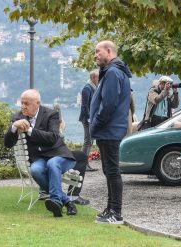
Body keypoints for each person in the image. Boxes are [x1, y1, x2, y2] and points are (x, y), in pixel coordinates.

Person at [4, 89, 77, 217]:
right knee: (36, 170)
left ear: (37, 103)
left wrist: (30, 130)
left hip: (58, 154)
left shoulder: (51, 114)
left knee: (53, 164)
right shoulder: (18, 117)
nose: (23, 106)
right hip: (39, 158)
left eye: (26, 103)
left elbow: (53, 137)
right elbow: (8, 144)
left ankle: (55, 200)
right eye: (22, 103)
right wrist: (14, 127)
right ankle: (66, 201)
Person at [89, 40, 131, 224]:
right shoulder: (113, 71)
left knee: (112, 171)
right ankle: (110, 208)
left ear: (109, 51)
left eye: (98, 52)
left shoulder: (113, 72)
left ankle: (116, 212)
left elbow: (109, 105)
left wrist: (96, 123)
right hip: (108, 130)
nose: (95, 55)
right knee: (108, 170)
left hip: (109, 130)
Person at [79, 69, 99, 172]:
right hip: (87, 119)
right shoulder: (87, 88)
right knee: (87, 141)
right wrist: (89, 119)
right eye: (98, 77)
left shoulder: (93, 87)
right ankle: (83, 164)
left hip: (91, 118)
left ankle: (85, 163)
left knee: (90, 141)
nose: (99, 79)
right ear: (93, 78)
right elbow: (84, 106)